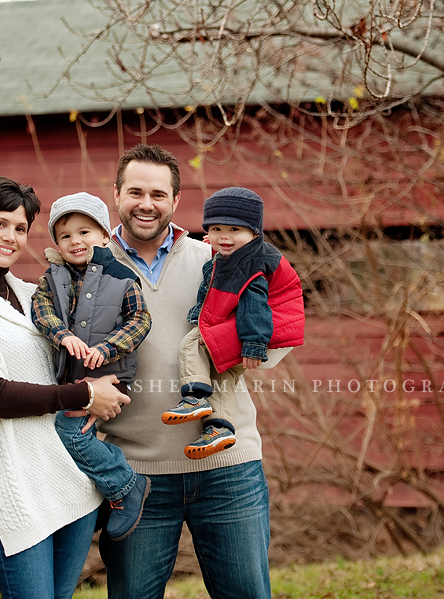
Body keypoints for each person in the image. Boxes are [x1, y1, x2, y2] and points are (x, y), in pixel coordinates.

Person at [97, 144, 296, 599]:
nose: (146, 203)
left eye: (158, 194)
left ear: (175, 200)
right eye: (135, 192)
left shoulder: (218, 256)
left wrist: (234, 351)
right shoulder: (91, 263)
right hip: (137, 475)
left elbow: (281, 318)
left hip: (228, 466)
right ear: (116, 195)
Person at [0, 177, 130, 599]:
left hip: (69, 476)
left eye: (20, 229)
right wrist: (85, 395)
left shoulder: (32, 293)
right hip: (14, 485)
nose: (11, 238)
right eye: (0, 224)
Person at [30, 192, 152, 541]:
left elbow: (140, 320)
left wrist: (109, 347)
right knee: (67, 435)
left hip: (109, 375)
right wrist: (61, 335)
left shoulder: (122, 276)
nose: (75, 241)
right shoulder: (53, 278)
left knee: (69, 433)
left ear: (103, 235)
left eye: (84, 232)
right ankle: (105, 491)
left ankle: (124, 485)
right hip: (72, 378)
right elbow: (42, 309)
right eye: (65, 236)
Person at [162, 187, 305, 459]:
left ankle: (193, 397)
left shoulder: (250, 265)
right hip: (243, 330)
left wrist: (253, 344)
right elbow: (222, 258)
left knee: (193, 343)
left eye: (233, 230)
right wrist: (218, 245)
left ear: (254, 233)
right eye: (216, 229)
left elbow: (255, 306)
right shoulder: (234, 254)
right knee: (223, 373)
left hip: (253, 331)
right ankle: (219, 428)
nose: (224, 237)